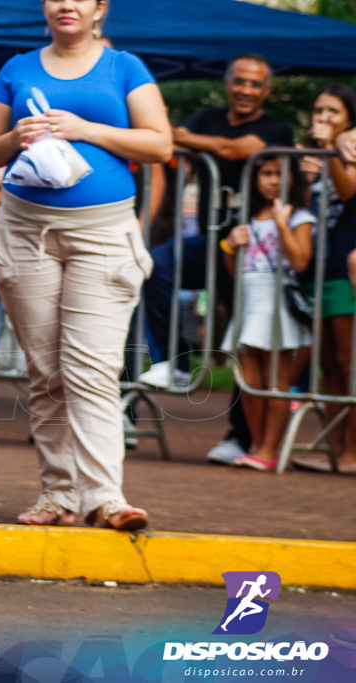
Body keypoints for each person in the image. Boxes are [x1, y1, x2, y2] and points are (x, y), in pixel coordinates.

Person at [0, 0, 171, 530]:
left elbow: (159, 143)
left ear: (99, 7)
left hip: (103, 235)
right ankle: (58, 495)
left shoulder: (124, 66)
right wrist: (15, 138)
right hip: (22, 231)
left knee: (91, 369)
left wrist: (83, 128)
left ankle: (105, 497)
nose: (66, 4)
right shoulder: (16, 67)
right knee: (46, 372)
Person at [142, 53, 294, 467]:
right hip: (209, 241)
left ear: (267, 89)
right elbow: (168, 142)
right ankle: (175, 362)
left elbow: (235, 147)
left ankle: (240, 437)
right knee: (153, 266)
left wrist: (183, 136)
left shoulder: (275, 127)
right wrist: (181, 136)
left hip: (254, 248)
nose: (245, 89)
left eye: (255, 83)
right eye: (239, 81)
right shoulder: (206, 116)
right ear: (227, 82)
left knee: (247, 342)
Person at [221, 156, 313, 471]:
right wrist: (229, 246)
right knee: (249, 378)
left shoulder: (299, 216)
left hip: (277, 300)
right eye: (266, 174)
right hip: (249, 300)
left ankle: (271, 447)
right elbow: (235, 270)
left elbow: (300, 261)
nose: (272, 181)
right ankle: (259, 444)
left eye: (279, 174)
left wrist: (282, 223)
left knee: (278, 378)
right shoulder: (249, 215)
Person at [292, 84, 356, 475]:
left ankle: (354, 451)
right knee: (329, 364)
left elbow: (347, 191)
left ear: (349, 117)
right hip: (318, 266)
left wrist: (332, 147)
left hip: (345, 268)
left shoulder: (347, 149)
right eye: (319, 110)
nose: (324, 117)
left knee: (351, 363)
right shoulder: (309, 153)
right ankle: (337, 447)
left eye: (333, 111)